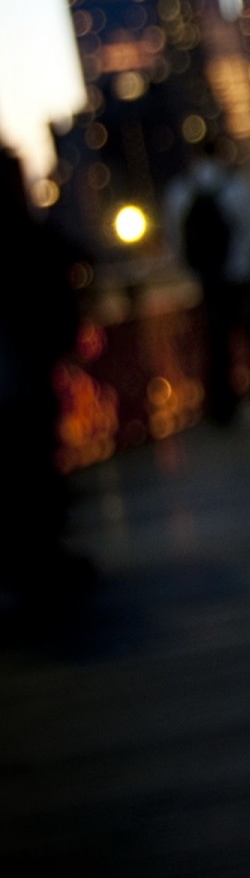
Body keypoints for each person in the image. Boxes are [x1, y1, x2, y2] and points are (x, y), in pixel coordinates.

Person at [0, 147, 90, 616]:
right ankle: (41, 562)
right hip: (23, 371)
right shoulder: (23, 232)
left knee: (21, 471)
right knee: (34, 464)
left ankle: (27, 569)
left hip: (20, 371)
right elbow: (73, 256)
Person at [165, 141, 250, 425]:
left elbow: (176, 241)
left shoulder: (180, 192)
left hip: (209, 281)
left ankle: (222, 407)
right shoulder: (237, 187)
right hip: (244, 276)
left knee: (217, 346)